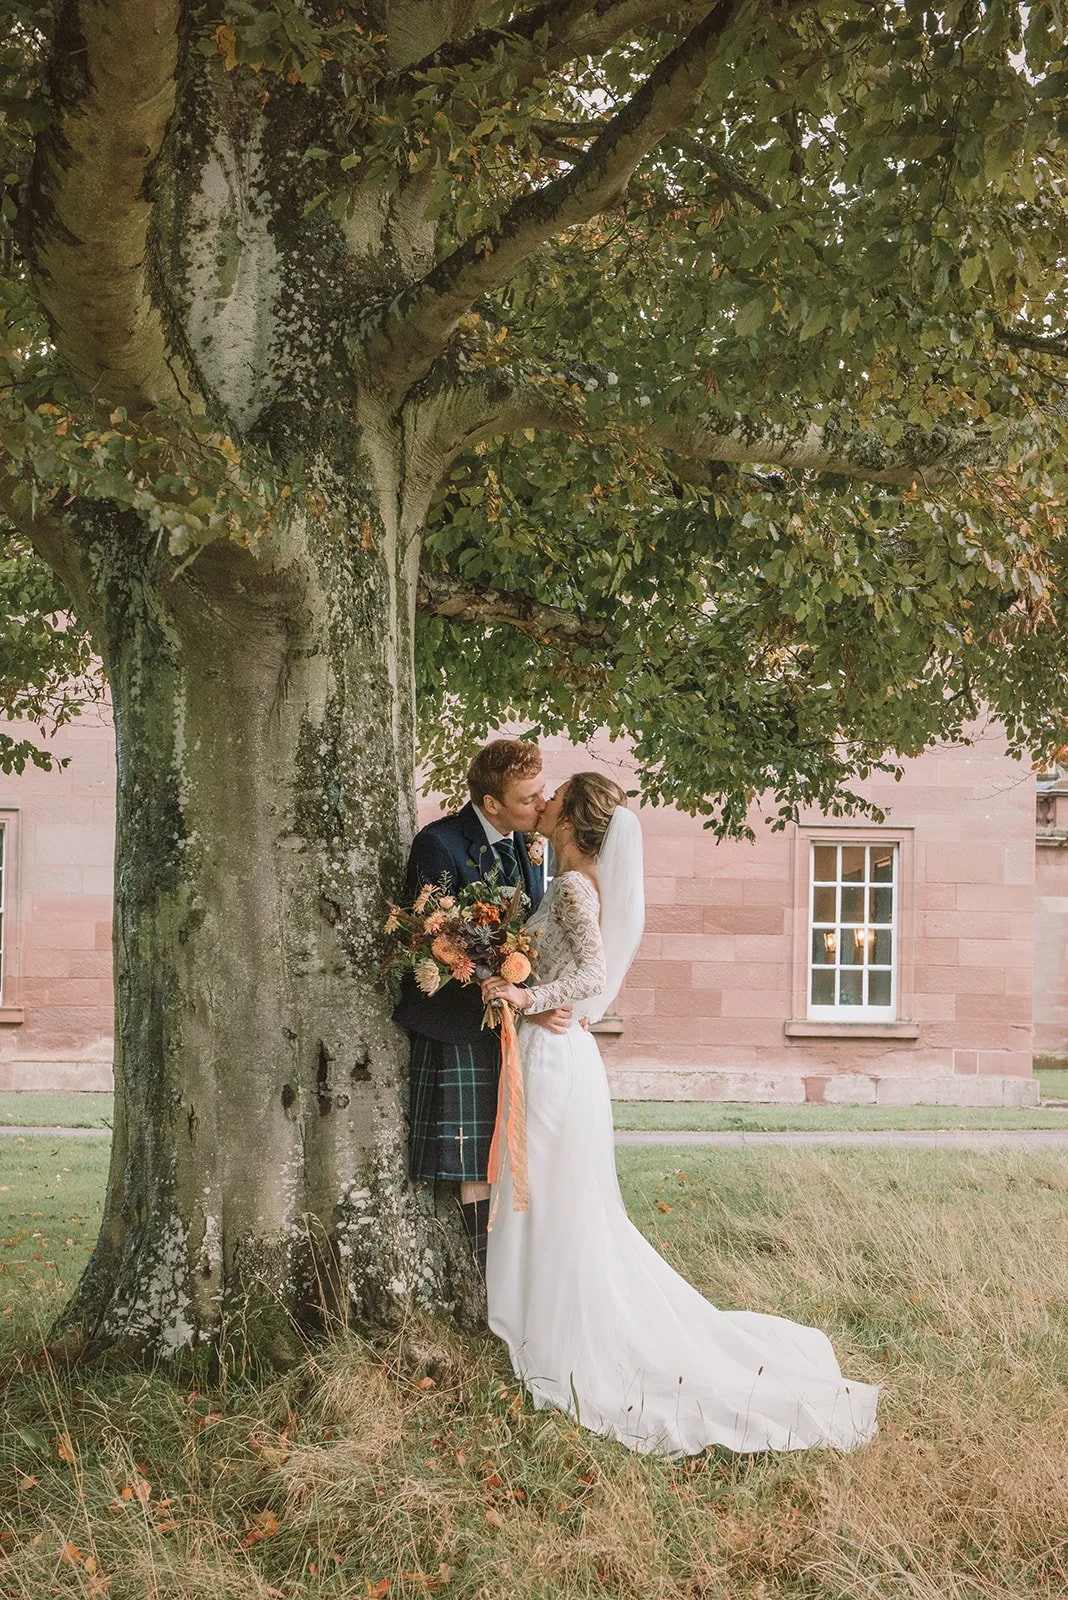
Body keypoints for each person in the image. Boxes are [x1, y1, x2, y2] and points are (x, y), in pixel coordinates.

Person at [480, 773, 880, 1456]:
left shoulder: (575, 888)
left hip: (554, 1056)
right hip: (547, 1055)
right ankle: (538, 1325)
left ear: (573, 822)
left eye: (553, 800)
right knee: (547, 1200)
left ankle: (561, 1339)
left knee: (553, 1202)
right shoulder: (556, 877)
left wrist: (521, 997)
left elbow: (592, 979)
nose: (540, 805)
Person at [395, 737, 573, 1275]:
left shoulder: (526, 844)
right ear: (490, 804)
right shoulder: (440, 845)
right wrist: (522, 1003)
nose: (541, 806)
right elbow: (436, 945)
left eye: (543, 794)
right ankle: (485, 1286)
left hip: (510, 1025)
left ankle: (513, 1282)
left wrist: (533, 997)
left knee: (513, 1158)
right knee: (477, 1165)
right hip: (456, 1028)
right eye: (528, 799)